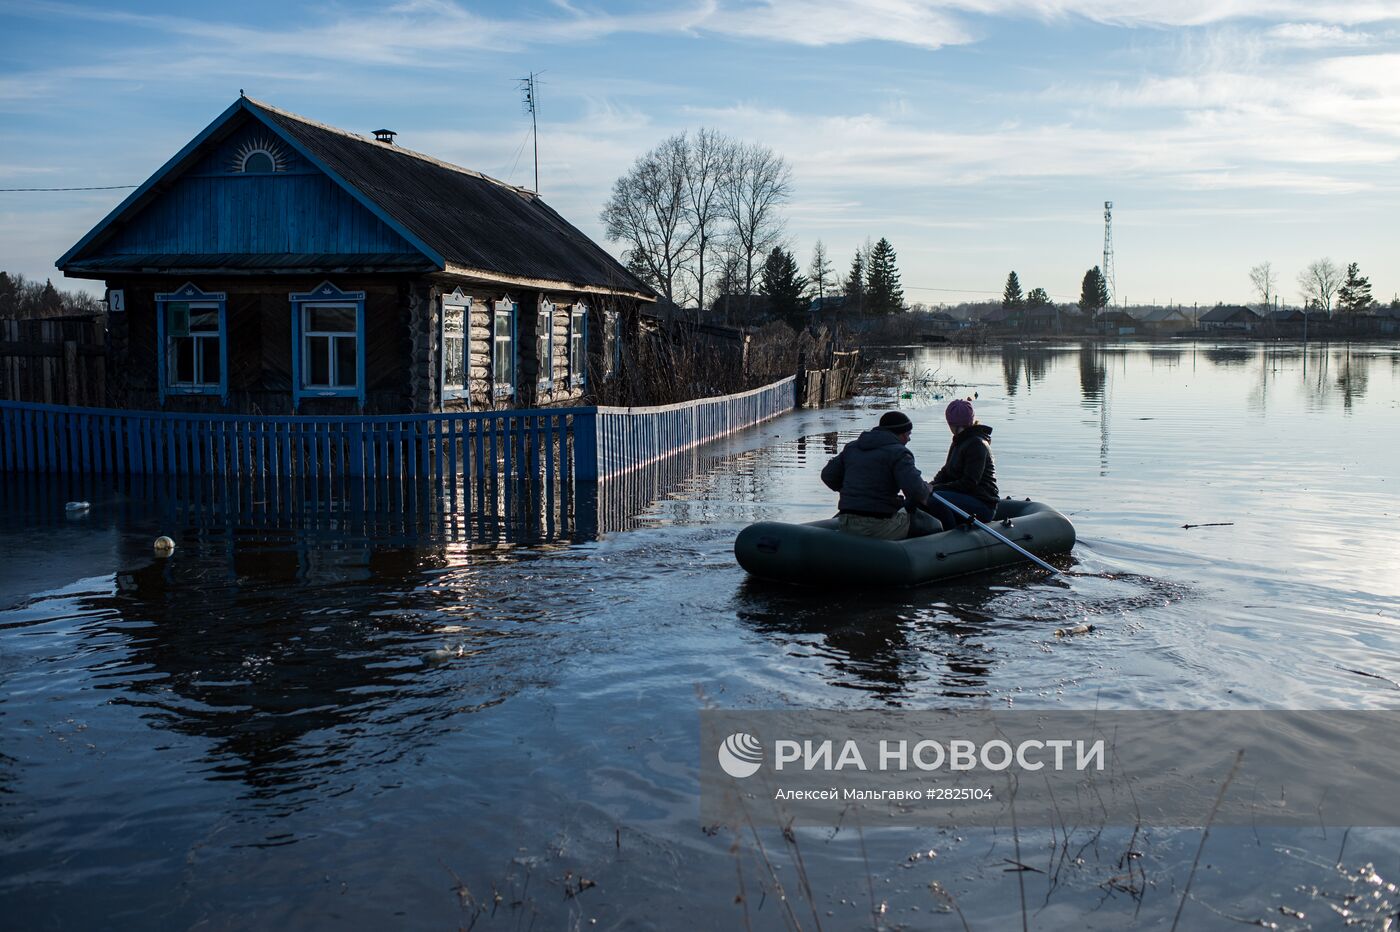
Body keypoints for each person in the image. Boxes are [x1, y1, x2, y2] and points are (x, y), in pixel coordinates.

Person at [820, 411, 939, 540]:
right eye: (908, 434)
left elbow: (828, 475)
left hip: (845, 521)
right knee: (932, 525)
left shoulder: (852, 447)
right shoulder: (899, 454)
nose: (909, 439)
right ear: (900, 434)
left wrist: (853, 491)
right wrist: (926, 491)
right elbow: (916, 492)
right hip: (879, 523)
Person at [923, 398, 999, 531]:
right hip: (965, 498)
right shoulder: (959, 441)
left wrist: (936, 490)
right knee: (928, 497)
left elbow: (969, 483)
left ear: (953, 424)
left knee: (937, 499)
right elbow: (947, 471)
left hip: (982, 503)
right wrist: (930, 486)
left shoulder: (976, 444)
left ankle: (949, 536)